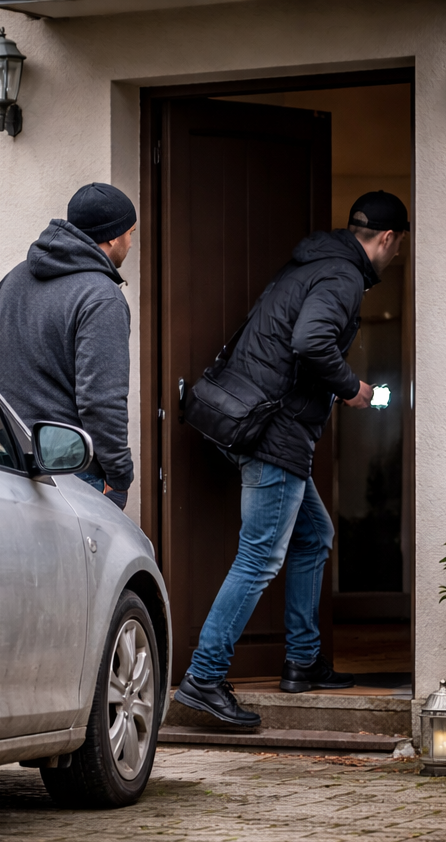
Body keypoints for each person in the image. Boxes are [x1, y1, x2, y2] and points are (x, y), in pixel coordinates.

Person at [174, 191, 410, 730]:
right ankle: (204, 677)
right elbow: (310, 342)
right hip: (274, 433)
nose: (395, 257)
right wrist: (353, 388)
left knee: (313, 535)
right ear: (388, 239)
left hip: (256, 422)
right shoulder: (343, 276)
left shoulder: (314, 262)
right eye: (397, 248)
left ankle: (302, 661)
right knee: (259, 557)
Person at [0, 183, 136, 509]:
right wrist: (119, 478)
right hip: (71, 472)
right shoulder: (101, 297)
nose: (132, 243)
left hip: (8, 462)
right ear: (112, 237)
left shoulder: (13, 280)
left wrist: (0, 439)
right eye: (131, 233)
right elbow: (101, 401)